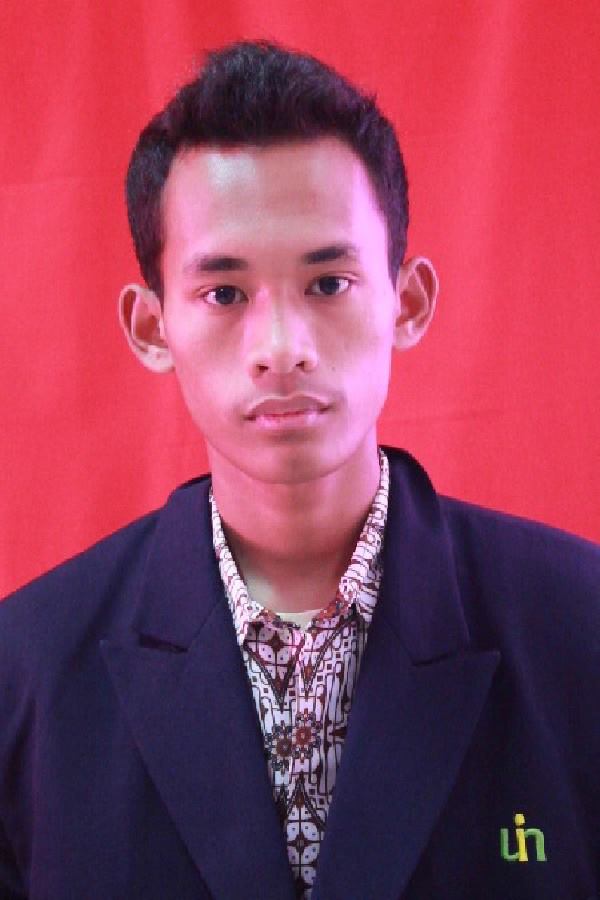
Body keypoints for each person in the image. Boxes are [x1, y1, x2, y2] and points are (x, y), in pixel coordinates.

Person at [0, 39, 598, 900]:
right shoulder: (27, 672)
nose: (281, 349)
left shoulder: (580, 628)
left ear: (408, 301)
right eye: (225, 294)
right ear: (151, 326)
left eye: (328, 284)